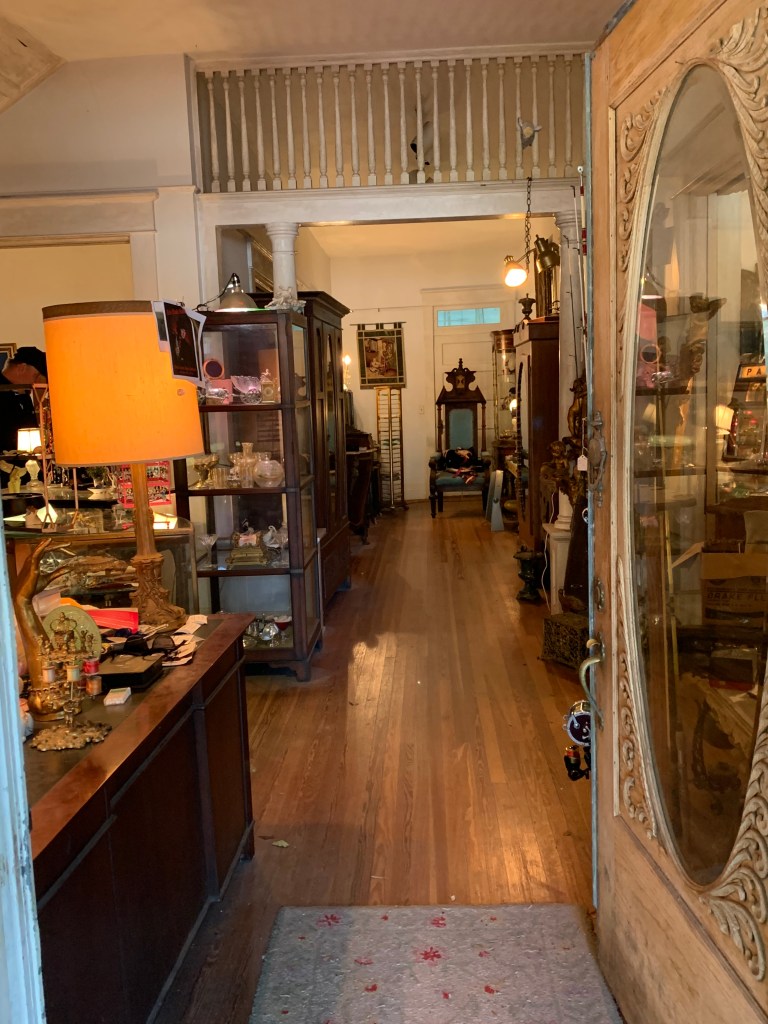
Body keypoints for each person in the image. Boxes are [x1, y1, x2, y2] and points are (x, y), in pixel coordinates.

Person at [0, 346, 47, 486]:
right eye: (35, 375)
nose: (35, 381)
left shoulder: (24, 395)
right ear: (22, 368)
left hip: (27, 475)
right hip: (5, 477)